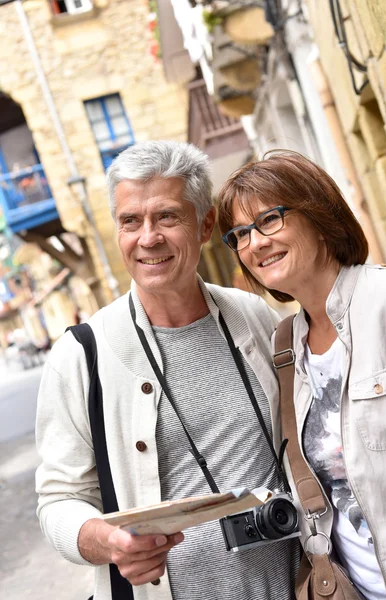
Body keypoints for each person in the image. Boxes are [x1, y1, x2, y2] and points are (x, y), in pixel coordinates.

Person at [35, 141, 299, 600]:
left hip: (294, 587)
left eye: (167, 217)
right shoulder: (81, 355)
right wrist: (107, 542)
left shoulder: (255, 316)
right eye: (130, 221)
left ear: (205, 225)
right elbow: (57, 502)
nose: (148, 237)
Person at [217, 150, 386, 600]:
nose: (254, 243)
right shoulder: (285, 345)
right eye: (239, 233)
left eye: (269, 220)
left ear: (320, 219)